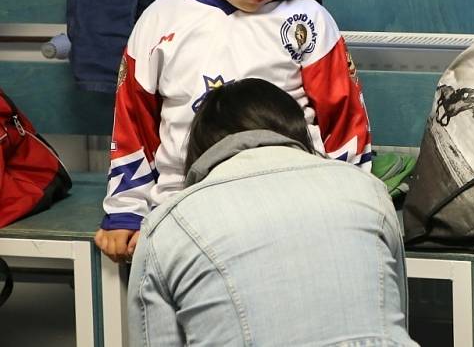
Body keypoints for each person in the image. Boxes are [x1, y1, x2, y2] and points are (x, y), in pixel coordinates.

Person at [94, 0, 372, 262]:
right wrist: (126, 212)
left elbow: (343, 119)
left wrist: (352, 200)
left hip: (292, 197)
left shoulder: (307, 20)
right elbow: (134, 124)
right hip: (184, 203)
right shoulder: (161, 20)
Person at [127, 78, 417, 346]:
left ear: (200, 148)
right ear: (296, 132)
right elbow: (398, 315)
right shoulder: (368, 190)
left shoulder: (168, 226)